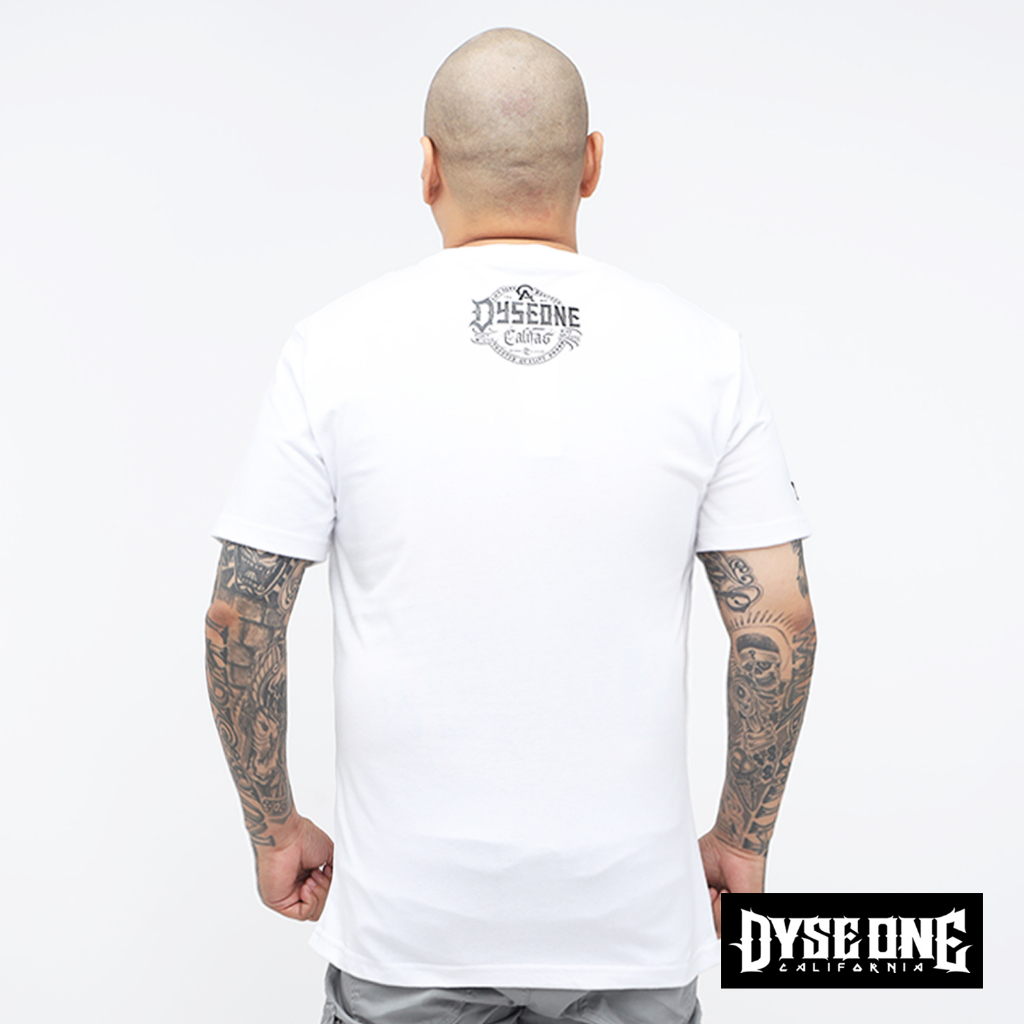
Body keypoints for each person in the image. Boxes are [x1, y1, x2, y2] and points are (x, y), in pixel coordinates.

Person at [205, 27, 816, 1024]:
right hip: (630, 932)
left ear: (427, 167)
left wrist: (274, 830)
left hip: (408, 931)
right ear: (591, 164)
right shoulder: (704, 353)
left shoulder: (333, 349)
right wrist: (742, 838)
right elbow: (779, 621)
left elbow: (241, 615)